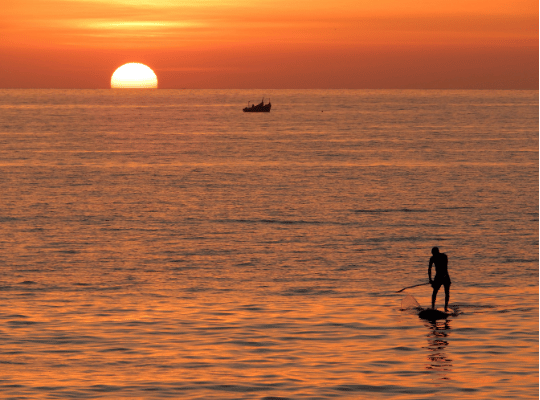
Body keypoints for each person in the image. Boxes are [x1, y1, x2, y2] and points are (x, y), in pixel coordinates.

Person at [428, 247, 451, 312]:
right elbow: (429, 269)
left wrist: (443, 276)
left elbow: (445, 267)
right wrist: (430, 279)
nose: (433, 255)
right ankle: (433, 307)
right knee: (434, 292)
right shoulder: (432, 258)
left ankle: (446, 308)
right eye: (432, 253)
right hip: (438, 276)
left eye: (434, 253)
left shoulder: (444, 256)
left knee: (446, 292)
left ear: (437, 252)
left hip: (445, 276)